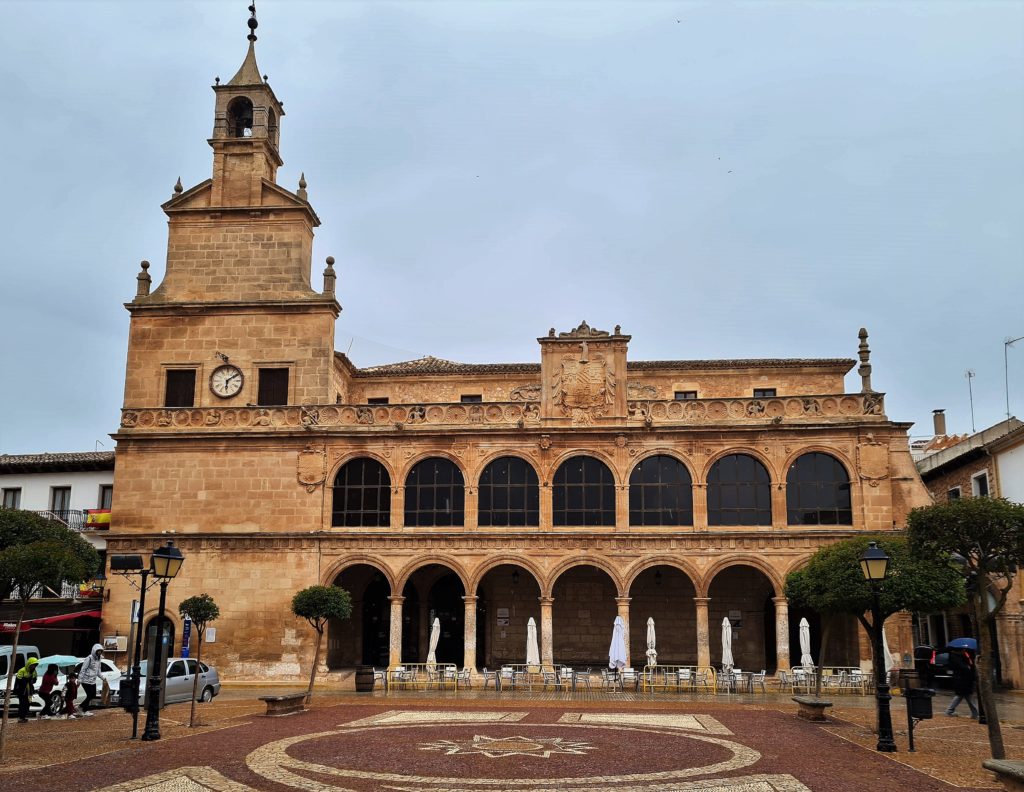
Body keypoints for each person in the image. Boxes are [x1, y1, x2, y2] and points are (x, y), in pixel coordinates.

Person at [945, 647, 979, 718]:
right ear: (959, 651)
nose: (964, 650)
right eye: (963, 650)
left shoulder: (963, 656)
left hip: (965, 680)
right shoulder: (955, 657)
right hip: (962, 680)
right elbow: (963, 667)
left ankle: (975, 713)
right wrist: (968, 667)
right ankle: (949, 711)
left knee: (963, 696)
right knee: (964, 696)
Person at [78, 643, 104, 717]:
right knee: (89, 695)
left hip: (93, 680)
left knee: (93, 695)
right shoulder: (89, 658)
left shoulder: (99, 659)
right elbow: (83, 669)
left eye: (100, 651)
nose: (99, 652)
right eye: (98, 651)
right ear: (94, 651)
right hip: (85, 680)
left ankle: (85, 710)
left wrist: (103, 678)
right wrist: (79, 680)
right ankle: (81, 707)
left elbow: (98, 671)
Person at [13, 657, 39, 723]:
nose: (34, 666)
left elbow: (34, 680)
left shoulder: (34, 671)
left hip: (29, 690)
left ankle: (23, 717)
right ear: (29, 664)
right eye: (33, 665)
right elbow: (19, 680)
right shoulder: (22, 670)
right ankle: (20, 717)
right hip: (21, 691)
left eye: (35, 665)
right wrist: (27, 679)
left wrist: (31, 680)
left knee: (28, 704)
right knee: (22, 704)